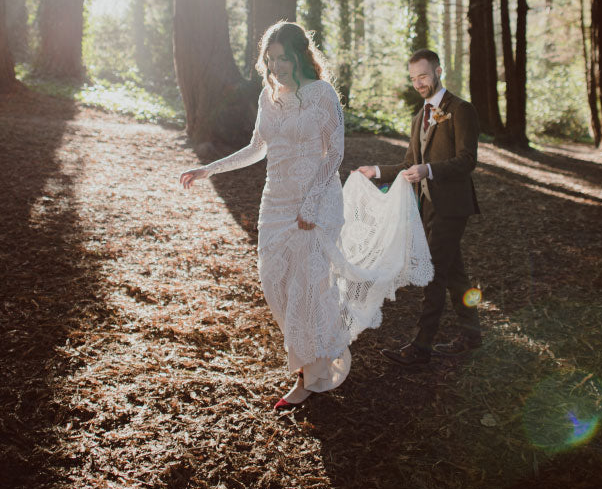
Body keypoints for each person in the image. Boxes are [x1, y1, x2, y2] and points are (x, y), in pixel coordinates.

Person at [180, 21, 431, 409]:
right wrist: (208, 169)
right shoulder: (269, 97)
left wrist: (311, 202)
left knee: (308, 288)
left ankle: (308, 376)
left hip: (316, 204)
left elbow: (334, 153)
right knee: (273, 285)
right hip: (275, 204)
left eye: (284, 57)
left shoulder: (321, 94)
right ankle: (319, 351)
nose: (277, 66)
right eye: (271, 58)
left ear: (300, 55)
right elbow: (255, 148)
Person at [354, 49, 482, 365]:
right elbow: (410, 163)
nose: (419, 83)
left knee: (434, 273)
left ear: (438, 71)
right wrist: (376, 171)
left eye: (423, 76)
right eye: (413, 79)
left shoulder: (461, 110)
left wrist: (430, 170)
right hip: (427, 205)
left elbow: (468, 160)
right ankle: (471, 334)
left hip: (452, 205)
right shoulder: (418, 117)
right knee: (454, 273)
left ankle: (421, 348)